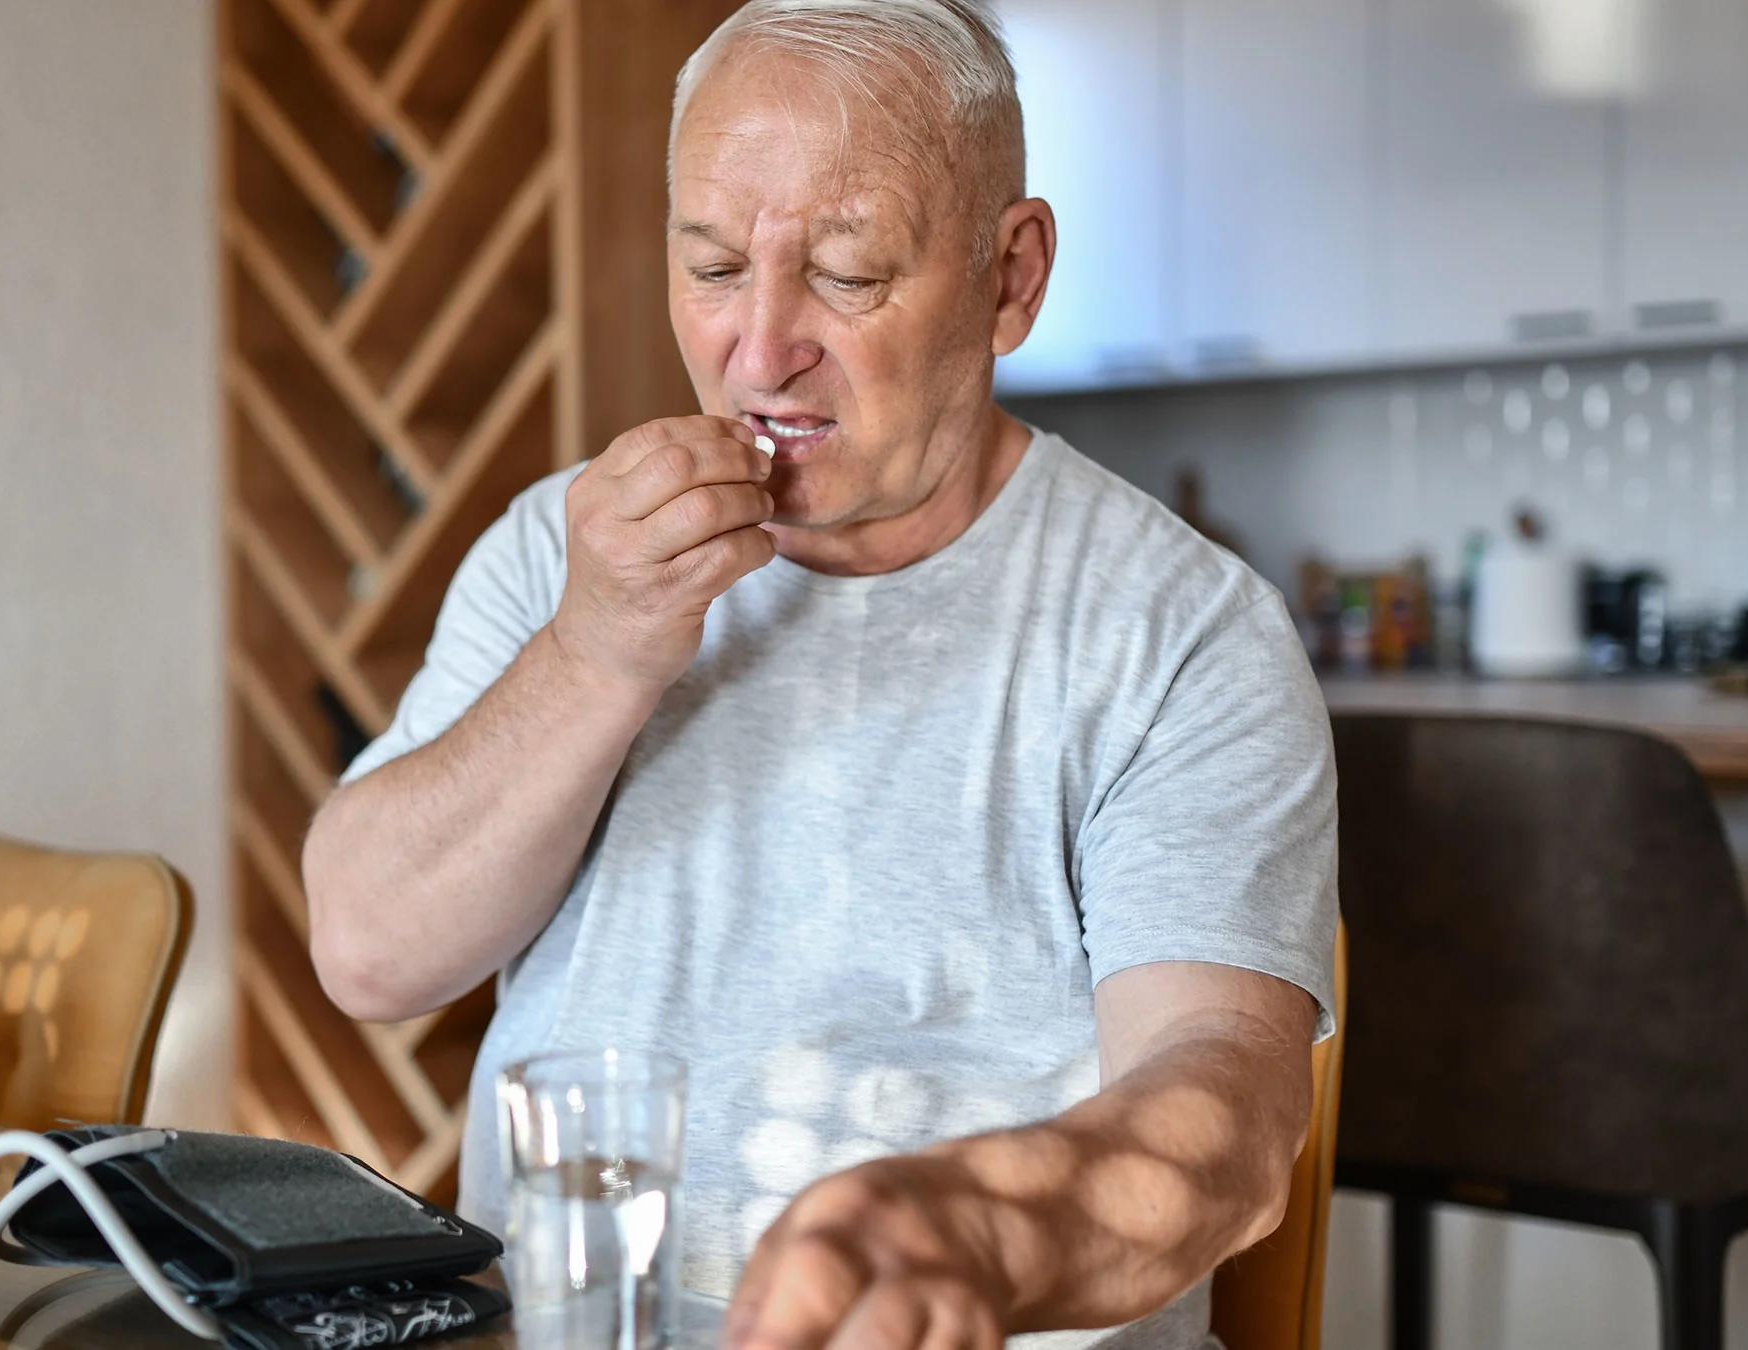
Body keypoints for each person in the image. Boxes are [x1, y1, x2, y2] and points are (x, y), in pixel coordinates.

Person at [301, 0, 1337, 1344]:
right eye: (716, 267)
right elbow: (369, 950)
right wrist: (597, 650)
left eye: (847, 274)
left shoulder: (1181, 633)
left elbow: (1226, 1112)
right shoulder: (568, 551)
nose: (760, 346)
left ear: (1010, 277)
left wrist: (977, 1229)